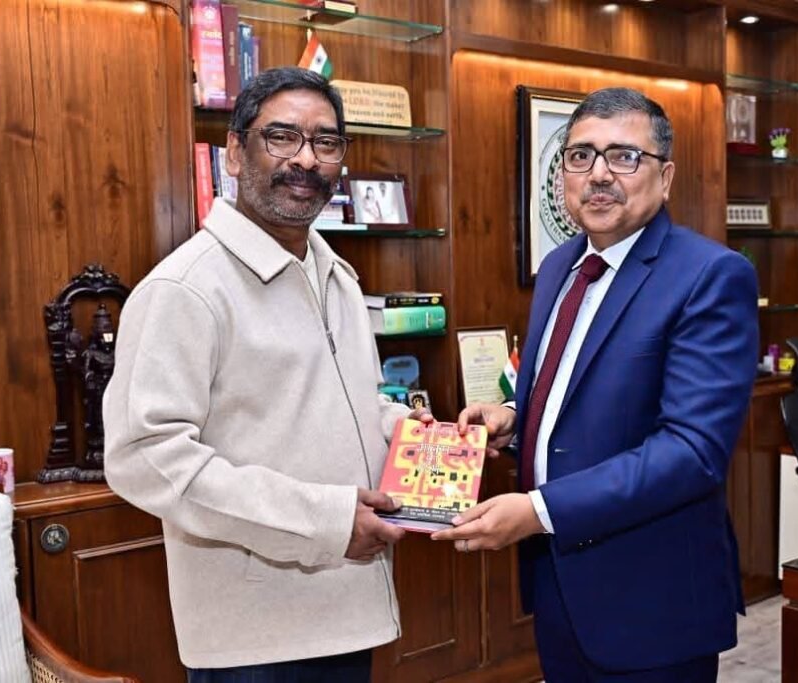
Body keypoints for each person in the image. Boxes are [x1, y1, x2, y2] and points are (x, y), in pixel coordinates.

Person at [103, 66, 429, 682]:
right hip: (256, 639)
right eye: (282, 136)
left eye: (325, 142)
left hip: (346, 609)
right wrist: (325, 522)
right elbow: (145, 458)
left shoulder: (336, 276)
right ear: (234, 151)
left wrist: (414, 432)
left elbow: (340, 403)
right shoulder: (186, 288)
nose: (305, 159)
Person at [432, 87, 759, 682]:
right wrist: (515, 418)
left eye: (624, 156)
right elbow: (579, 389)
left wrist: (539, 510)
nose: (599, 174)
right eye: (580, 156)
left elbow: (692, 452)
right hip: (560, 585)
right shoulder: (562, 265)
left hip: (651, 601)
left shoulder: (709, 275)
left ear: (665, 177)